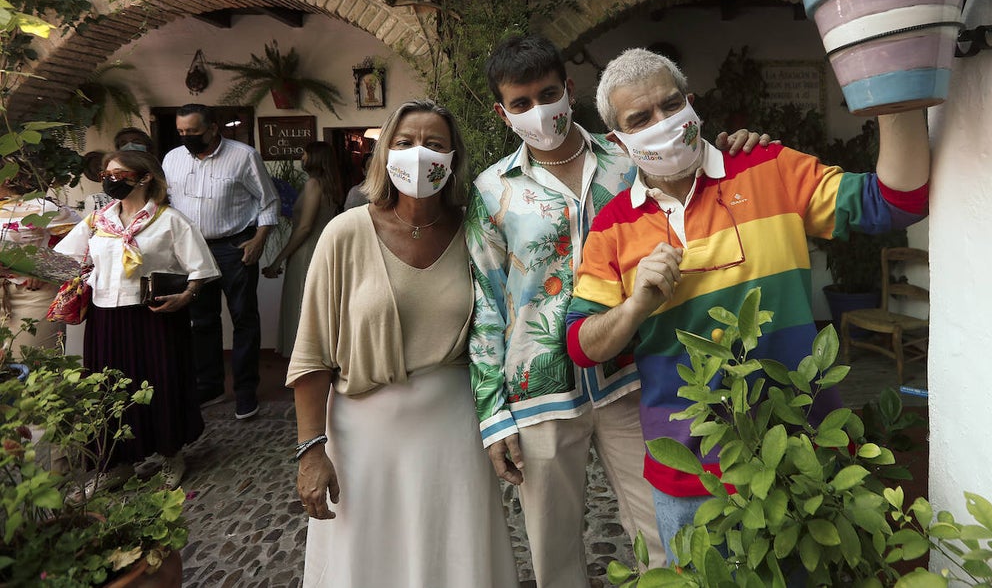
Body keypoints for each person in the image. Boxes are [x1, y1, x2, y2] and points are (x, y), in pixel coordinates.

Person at [565, 48, 931, 561]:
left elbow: (893, 203)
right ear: (617, 141)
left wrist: (900, 84)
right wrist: (635, 307)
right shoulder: (611, 228)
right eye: (640, 119)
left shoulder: (768, 167)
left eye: (672, 106)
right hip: (690, 476)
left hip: (804, 454)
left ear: (693, 105)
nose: (663, 124)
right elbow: (582, 346)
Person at [467, 34, 771, 585]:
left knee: (666, 536)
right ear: (502, 112)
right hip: (540, 390)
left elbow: (697, 180)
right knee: (553, 554)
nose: (539, 110)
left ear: (570, 89)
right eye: (521, 103)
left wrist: (741, 147)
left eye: (548, 93)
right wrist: (492, 415)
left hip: (633, 375)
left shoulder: (629, 157)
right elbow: (487, 303)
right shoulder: (491, 190)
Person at [288, 100, 517, 587]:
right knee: (370, 559)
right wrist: (311, 450)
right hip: (364, 436)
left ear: (452, 159)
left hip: (453, 429)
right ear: (383, 156)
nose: (419, 155)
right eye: (405, 143)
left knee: (455, 554)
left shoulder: (474, 231)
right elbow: (311, 353)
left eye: (434, 144)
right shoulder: (345, 233)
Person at [55, 151, 219, 490]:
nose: (110, 179)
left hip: (155, 316)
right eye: (107, 173)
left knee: (161, 382)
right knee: (109, 389)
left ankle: (171, 454)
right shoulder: (97, 221)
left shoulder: (170, 220)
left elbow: (200, 270)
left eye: (119, 173)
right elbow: (64, 262)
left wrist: (186, 296)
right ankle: (117, 463)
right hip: (105, 318)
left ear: (144, 178)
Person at [162, 103, 279, 420]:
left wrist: (259, 239)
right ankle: (210, 386)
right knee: (201, 322)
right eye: (182, 132)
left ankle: (245, 392)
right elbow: (167, 205)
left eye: (194, 132)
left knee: (244, 319)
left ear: (213, 128)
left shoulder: (243, 156)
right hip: (192, 251)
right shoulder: (171, 160)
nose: (187, 138)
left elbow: (268, 202)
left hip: (234, 248)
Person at [262, 141, 342, 357]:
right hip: (321, 250)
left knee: (301, 305)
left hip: (307, 252)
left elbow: (305, 227)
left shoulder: (313, 184)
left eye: (304, 153)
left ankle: (305, 359)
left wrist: (278, 259)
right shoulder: (329, 184)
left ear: (313, 157)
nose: (302, 157)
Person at [0, 157, 81, 358]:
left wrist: (43, 264)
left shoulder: (40, 206)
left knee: (31, 366)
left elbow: (91, 239)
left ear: (7, 177)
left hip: (31, 295)